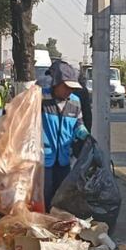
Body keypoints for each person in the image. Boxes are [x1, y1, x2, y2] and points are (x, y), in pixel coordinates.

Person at [40, 61, 89, 206]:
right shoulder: (41, 99)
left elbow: (79, 125)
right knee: (44, 197)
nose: (69, 91)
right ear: (56, 83)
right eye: (66, 87)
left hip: (64, 161)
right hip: (43, 162)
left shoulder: (75, 102)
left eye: (72, 88)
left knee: (62, 199)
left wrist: (86, 136)